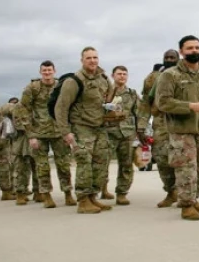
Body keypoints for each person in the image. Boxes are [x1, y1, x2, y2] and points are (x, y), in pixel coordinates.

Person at [156, 35, 199, 220]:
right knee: (186, 168)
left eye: (197, 47)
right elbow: (163, 102)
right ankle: (186, 205)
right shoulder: (170, 75)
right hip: (181, 130)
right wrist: (189, 106)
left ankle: (194, 198)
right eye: (190, 48)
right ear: (181, 51)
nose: (194, 51)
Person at [54, 46, 114, 214]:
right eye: (89, 58)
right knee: (84, 162)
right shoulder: (74, 81)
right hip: (81, 127)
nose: (93, 61)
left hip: (99, 126)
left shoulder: (103, 79)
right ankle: (83, 200)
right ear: (82, 60)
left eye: (95, 57)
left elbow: (108, 98)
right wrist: (65, 132)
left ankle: (92, 197)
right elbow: (61, 107)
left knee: (101, 162)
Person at [18, 60, 75, 208]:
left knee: (64, 165)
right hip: (39, 133)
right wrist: (31, 135)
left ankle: (68, 193)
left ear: (54, 71)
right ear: (40, 72)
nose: (47, 73)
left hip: (59, 132)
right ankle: (46, 195)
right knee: (42, 166)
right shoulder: (33, 88)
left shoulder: (61, 86)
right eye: (44, 70)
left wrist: (68, 131)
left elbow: (69, 107)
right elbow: (24, 110)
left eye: (49, 70)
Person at [102, 65, 147, 205]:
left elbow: (140, 113)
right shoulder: (105, 92)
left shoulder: (132, 94)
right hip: (108, 133)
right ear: (113, 76)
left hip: (127, 133)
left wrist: (140, 131)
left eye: (124, 74)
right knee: (102, 163)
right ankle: (102, 188)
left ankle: (122, 193)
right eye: (119, 74)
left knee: (126, 164)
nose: (122, 76)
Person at [140, 50, 180, 208]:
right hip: (161, 121)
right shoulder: (153, 78)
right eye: (166, 58)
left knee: (185, 159)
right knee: (161, 158)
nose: (169, 60)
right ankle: (171, 191)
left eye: (172, 58)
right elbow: (145, 102)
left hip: (183, 121)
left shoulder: (187, 74)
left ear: (178, 59)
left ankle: (188, 194)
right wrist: (141, 125)